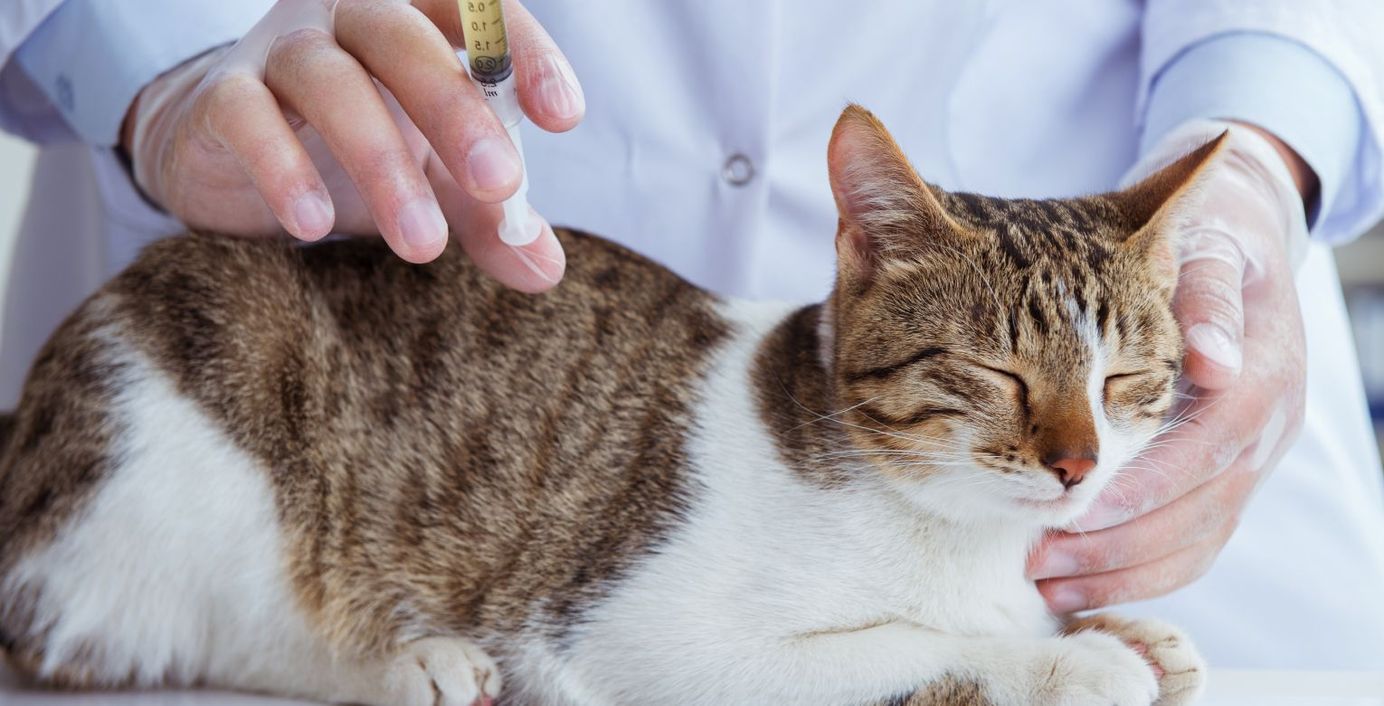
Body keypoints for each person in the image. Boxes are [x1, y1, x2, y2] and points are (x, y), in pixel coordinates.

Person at [1, 0, 1382, 671]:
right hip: (357, 287)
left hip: (1128, 280)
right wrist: (155, 55)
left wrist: (1261, 157)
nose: (1075, 446)